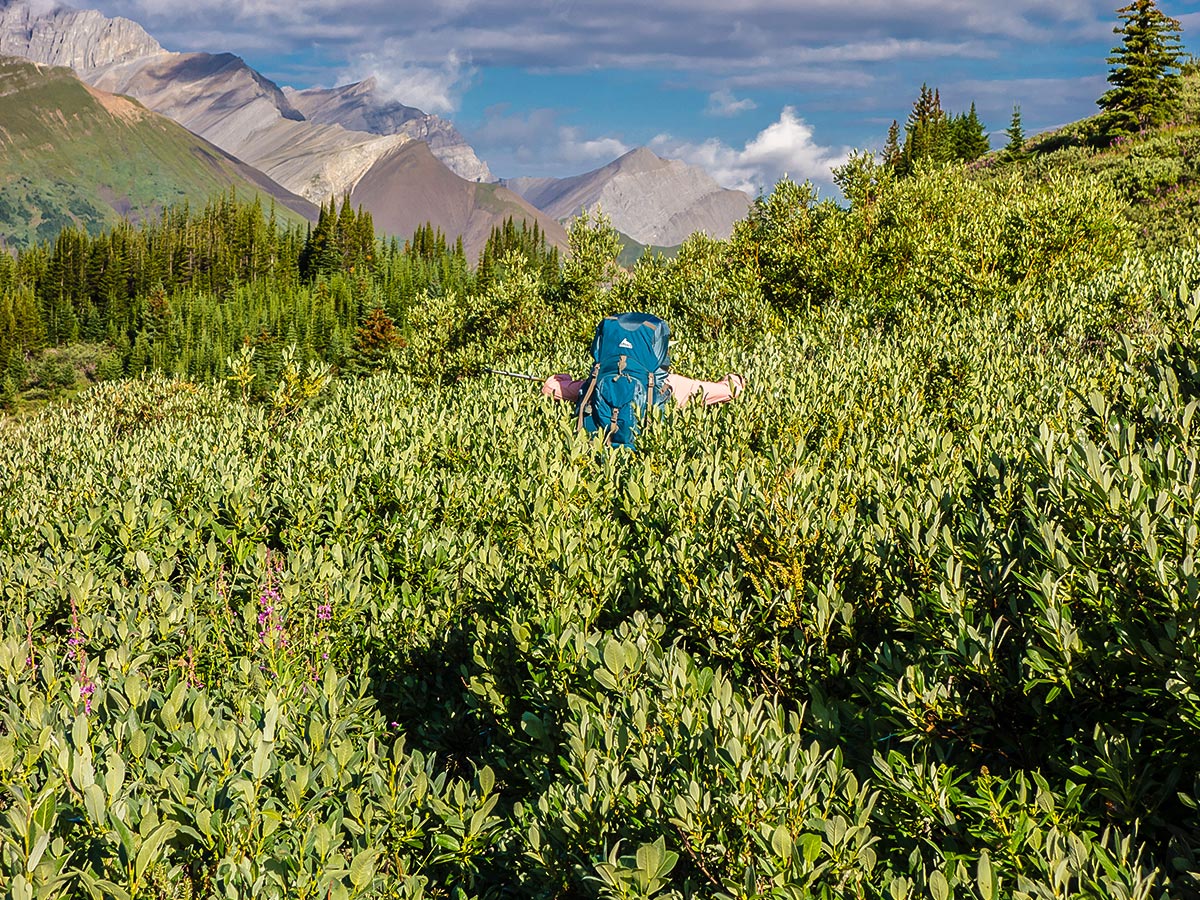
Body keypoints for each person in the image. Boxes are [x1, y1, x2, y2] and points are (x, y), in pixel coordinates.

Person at [541, 371, 744, 407]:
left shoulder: (596, 384)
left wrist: (565, 378)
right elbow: (731, 391)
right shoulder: (673, 384)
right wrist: (734, 378)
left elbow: (550, 388)